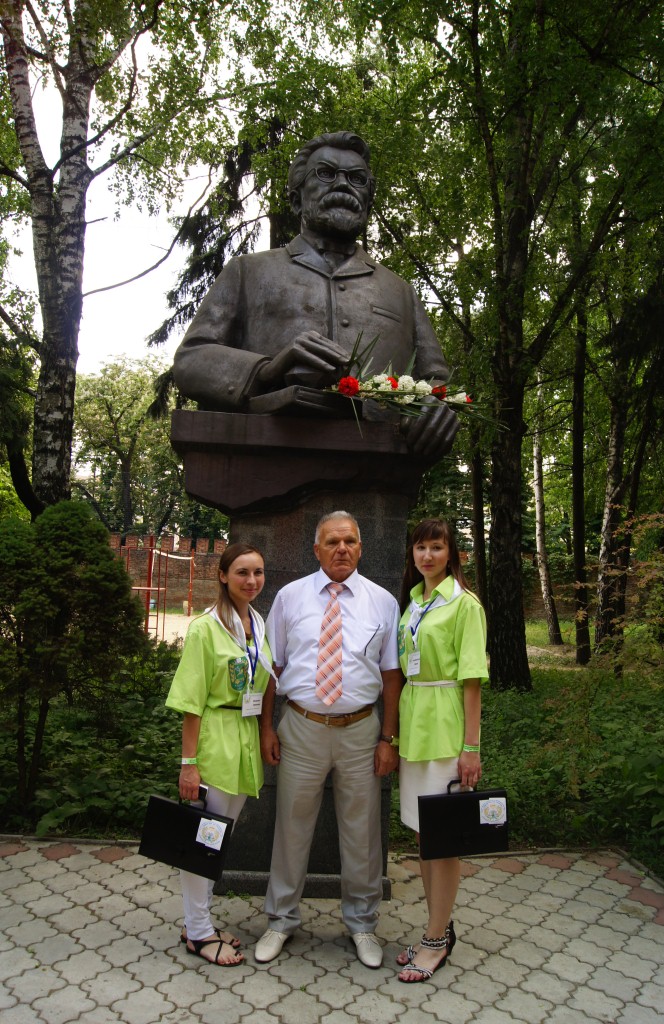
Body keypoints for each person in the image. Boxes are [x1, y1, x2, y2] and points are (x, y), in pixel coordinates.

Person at [173, 131, 459, 461]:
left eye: (357, 179)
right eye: (326, 174)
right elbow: (191, 361)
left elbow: (437, 383)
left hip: (380, 465)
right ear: (296, 199)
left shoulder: (401, 291)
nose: (343, 185)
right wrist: (266, 370)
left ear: (368, 201)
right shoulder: (247, 272)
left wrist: (434, 409)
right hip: (268, 458)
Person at [256, 511, 402, 968]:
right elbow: (272, 669)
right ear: (316, 549)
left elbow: (392, 675)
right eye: (333, 542)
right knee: (291, 828)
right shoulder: (290, 597)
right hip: (301, 728)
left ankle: (363, 924)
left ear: (361, 548)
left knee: (362, 833)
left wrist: (389, 737)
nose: (342, 549)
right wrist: (266, 727)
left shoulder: (383, 602)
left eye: (350, 541)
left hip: (361, 731)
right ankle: (281, 919)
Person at [165, 543, 273, 967]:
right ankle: (198, 932)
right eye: (242, 572)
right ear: (223, 576)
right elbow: (191, 703)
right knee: (203, 839)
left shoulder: (257, 623)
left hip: (243, 737)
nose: (251, 580)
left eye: (258, 572)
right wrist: (189, 764)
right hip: (215, 738)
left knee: (217, 839)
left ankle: (200, 922)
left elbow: (265, 681)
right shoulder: (205, 629)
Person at [395, 518, 487, 983]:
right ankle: (438, 929)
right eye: (420, 547)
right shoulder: (414, 601)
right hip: (414, 726)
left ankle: (435, 941)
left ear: (452, 554)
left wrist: (471, 747)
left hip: (446, 728)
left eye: (436, 547)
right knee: (423, 835)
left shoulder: (464, 604)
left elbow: (472, 681)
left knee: (443, 838)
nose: (427, 555)